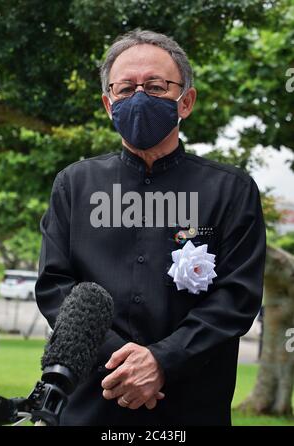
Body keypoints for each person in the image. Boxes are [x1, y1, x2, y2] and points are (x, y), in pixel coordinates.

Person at [35, 29, 266, 426]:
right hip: (92, 402)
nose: (138, 98)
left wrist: (162, 360)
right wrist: (123, 363)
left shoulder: (231, 189)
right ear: (109, 104)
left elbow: (237, 297)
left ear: (186, 101)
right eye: (125, 89)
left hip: (191, 405)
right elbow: (55, 286)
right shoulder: (74, 185)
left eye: (156, 86)